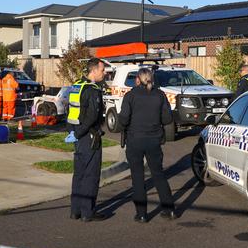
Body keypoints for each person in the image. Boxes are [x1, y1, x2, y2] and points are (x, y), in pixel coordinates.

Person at [118, 68, 176, 223]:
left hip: (135, 140)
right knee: (158, 175)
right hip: (154, 140)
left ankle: (142, 213)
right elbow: (167, 119)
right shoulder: (160, 95)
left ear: (137, 79)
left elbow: (123, 119)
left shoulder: (130, 96)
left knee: (137, 178)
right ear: (152, 79)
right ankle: (169, 209)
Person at [69, 58, 106, 222]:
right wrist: (79, 133)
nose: (104, 73)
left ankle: (75, 210)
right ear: (93, 71)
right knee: (91, 174)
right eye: (102, 70)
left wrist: (74, 132)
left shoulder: (77, 85)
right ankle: (87, 212)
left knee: (79, 174)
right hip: (89, 136)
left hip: (77, 135)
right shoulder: (92, 90)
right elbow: (91, 117)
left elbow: (72, 111)